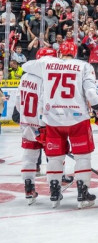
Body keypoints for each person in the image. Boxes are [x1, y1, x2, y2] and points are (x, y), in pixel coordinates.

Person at [21, 40, 98, 209]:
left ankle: (54, 191)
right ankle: (82, 193)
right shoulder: (84, 66)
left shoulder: (48, 63)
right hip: (77, 118)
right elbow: (90, 92)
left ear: (60, 53)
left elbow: (26, 66)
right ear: (74, 53)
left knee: (54, 157)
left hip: (52, 118)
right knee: (83, 156)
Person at [12, 47, 57, 204]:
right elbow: (47, 102)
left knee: (29, 157)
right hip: (44, 124)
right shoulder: (46, 78)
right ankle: (54, 187)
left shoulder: (24, 77)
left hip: (27, 123)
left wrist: (25, 118)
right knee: (54, 156)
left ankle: (29, 188)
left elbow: (18, 102)